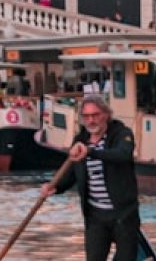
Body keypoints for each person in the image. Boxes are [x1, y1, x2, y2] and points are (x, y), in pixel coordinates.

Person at [40, 94, 139, 261]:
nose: (91, 120)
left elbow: (123, 155)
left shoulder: (122, 134)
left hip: (124, 215)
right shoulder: (79, 141)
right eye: (86, 116)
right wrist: (54, 188)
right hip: (95, 217)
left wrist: (91, 152)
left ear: (106, 114)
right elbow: (71, 175)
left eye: (95, 115)